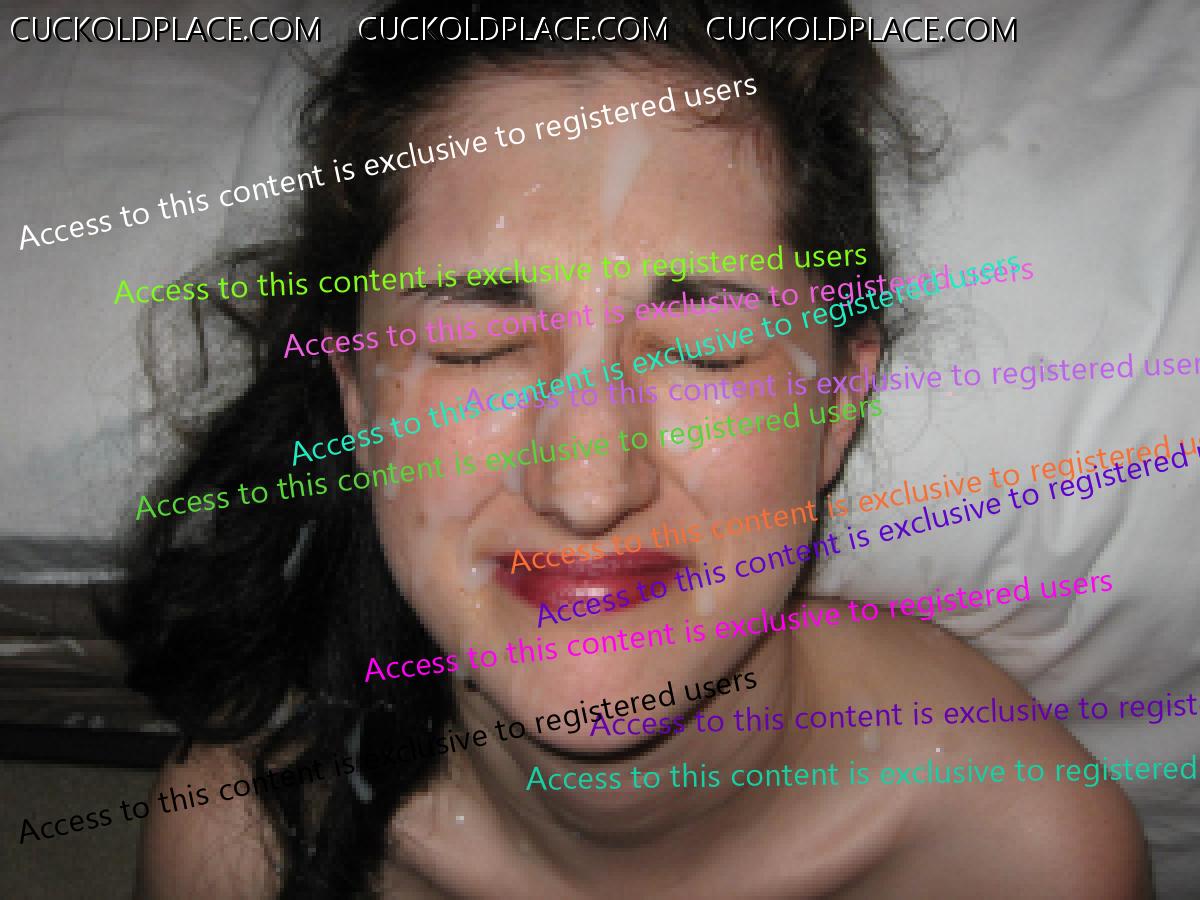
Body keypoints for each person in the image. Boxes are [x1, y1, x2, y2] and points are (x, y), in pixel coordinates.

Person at [106, 1, 1151, 896]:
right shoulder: (238, 842)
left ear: (839, 399)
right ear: (358, 398)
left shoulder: (1028, 855)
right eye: (478, 346)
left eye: (704, 346)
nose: (589, 488)